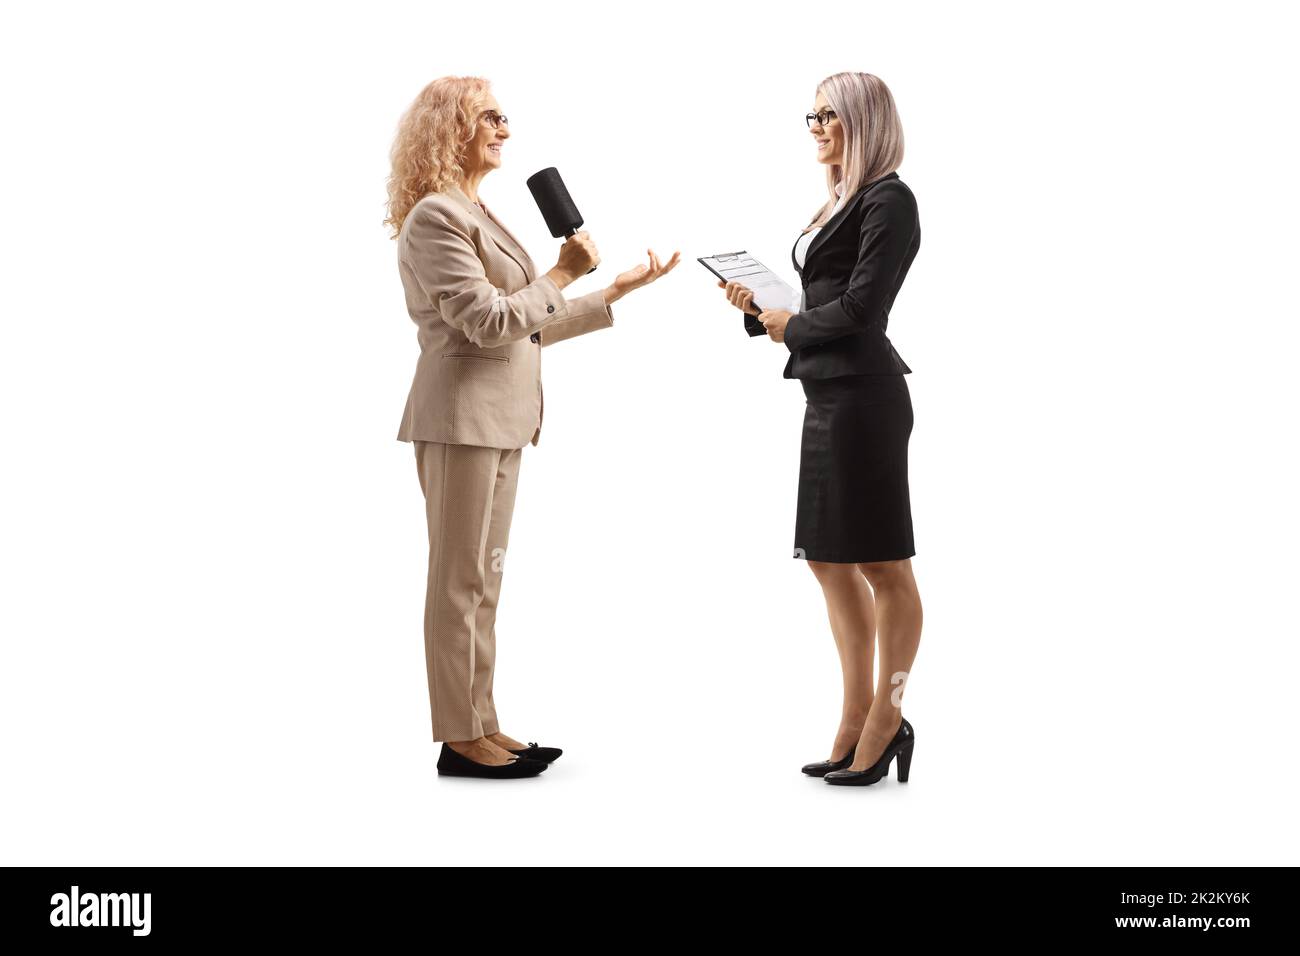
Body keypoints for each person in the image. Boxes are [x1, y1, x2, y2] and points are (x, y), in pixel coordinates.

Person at [385, 76, 679, 779]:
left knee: (483, 581)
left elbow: (525, 326)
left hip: (505, 421)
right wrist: (561, 270)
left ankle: (483, 722)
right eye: (490, 117)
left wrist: (609, 291)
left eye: (505, 117)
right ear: (449, 127)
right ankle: (460, 738)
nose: (505, 129)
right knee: (458, 584)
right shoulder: (436, 218)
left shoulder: (476, 209)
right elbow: (486, 323)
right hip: (460, 421)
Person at [721, 72, 922, 786]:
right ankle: (854, 713)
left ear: (863, 120)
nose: (815, 126)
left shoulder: (889, 200)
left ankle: (887, 718)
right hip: (825, 395)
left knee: (883, 564)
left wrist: (793, 324)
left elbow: (864, 310)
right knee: (828, 559)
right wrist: (763, 310)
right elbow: (823, 300)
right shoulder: (839, 200)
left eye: (828, 115)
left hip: (865, 399)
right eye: (809, 115)